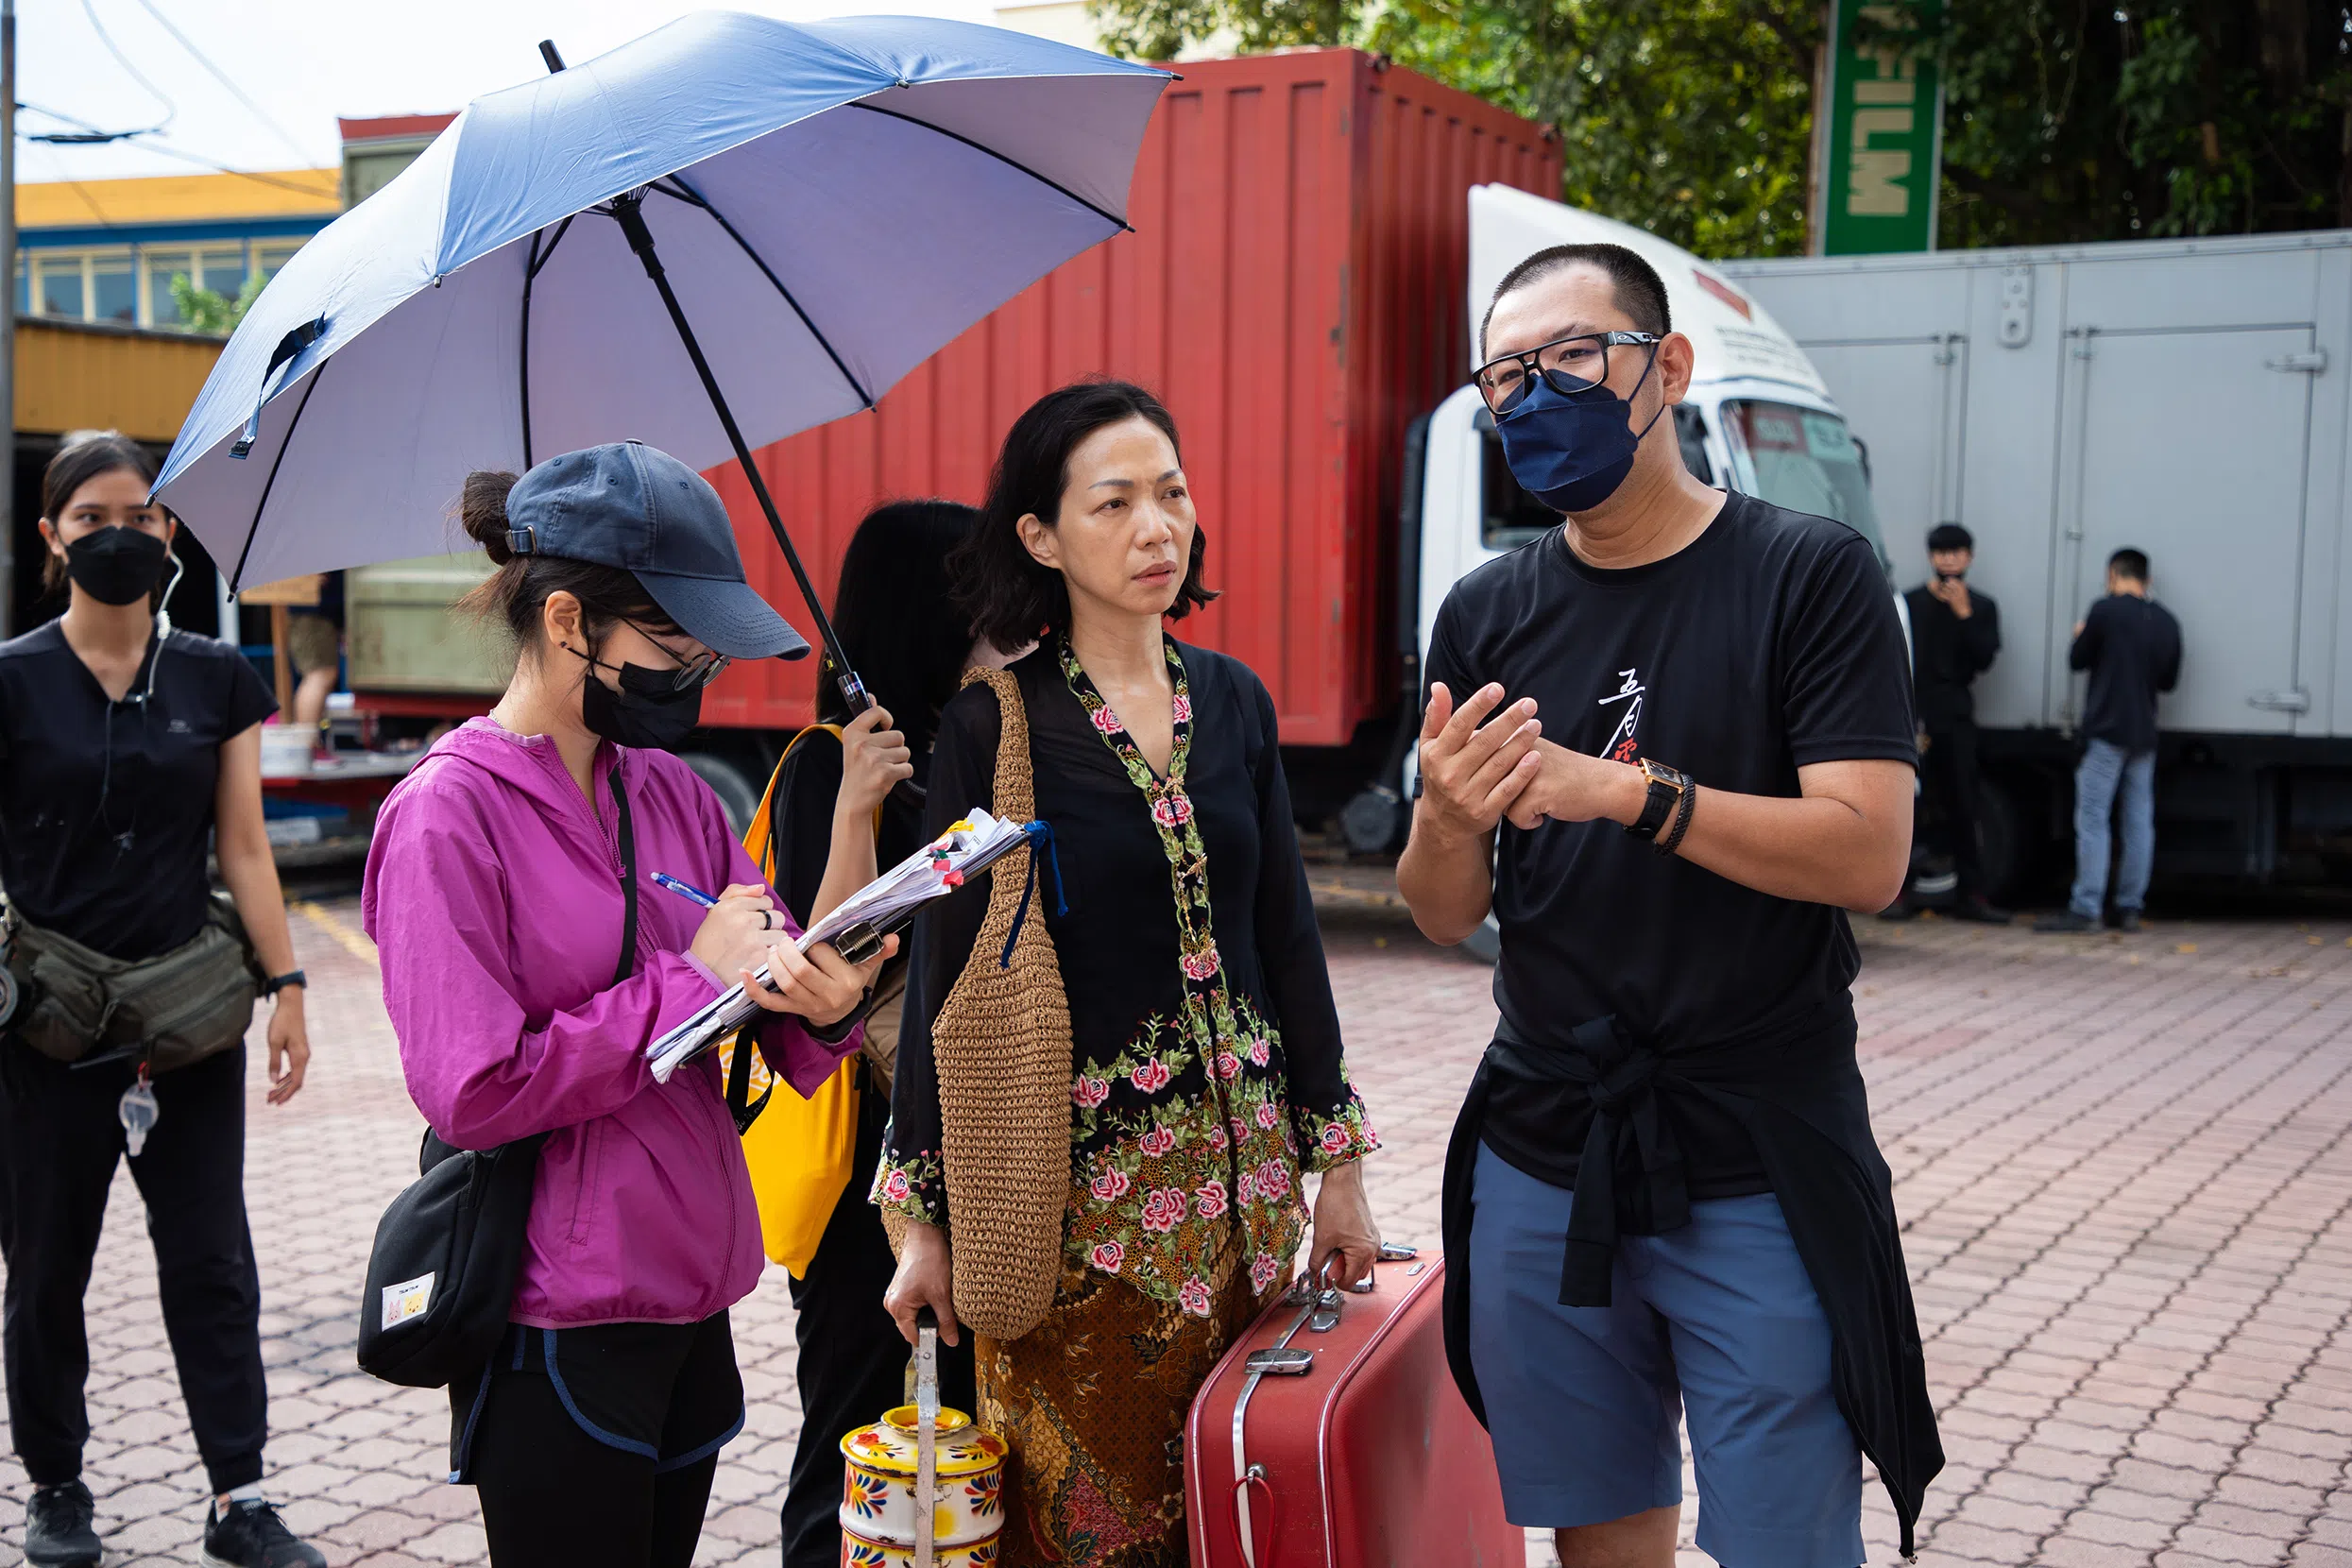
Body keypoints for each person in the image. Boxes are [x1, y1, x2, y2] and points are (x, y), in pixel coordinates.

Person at [1396, 244, 1940, 1568]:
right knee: (1594, 1529)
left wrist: (1627, 794)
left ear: (1666, 369)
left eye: (1569, 359)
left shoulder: (1807, 576)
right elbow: (1436, 906)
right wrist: (1446, 817)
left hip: (1751, 1142)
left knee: (1782, 1536)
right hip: (1545, 1142)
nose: (1534, 397)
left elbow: (1867, 854)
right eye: (1505, 375)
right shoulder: (1485, 609)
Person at [877, 381, 1382, 1568]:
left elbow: (1287, 946)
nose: (1158, 527)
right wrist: (918, 1218)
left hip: (1252, 1221)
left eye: (1172, 493)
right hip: (1072, 1236)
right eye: (1114, 503)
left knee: (1252, 1525)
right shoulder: (989, 731)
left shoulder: (1240, 703)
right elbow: (948, 991)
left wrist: (1340, 1164)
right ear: (1040, 538)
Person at [362, 443, 888, 1568]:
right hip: (557, 1311)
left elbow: (752, 997)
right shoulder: (446, 816)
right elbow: (473, 1085)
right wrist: (690, 976)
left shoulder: (676, 793)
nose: (698, 669)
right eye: (673, 643)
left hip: (693, 1287)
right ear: (566, 622)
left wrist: (825, 999)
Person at [0, 432, 323, 1568]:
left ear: (168, 531)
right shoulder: (11, 677)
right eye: (91, 517)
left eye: (140, 514)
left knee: (211, 1260)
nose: (119, 534)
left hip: (185, 1026)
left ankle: (240, 1496)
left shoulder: (215, 678)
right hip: (45, 1029)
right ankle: (56, 1484)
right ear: (52, 537)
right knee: (45, 1268)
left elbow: (243, 844)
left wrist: (286, 985)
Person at [768, 501, 986, 1568]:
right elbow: (825, 973)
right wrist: (859, 804)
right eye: (973, 592)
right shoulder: (828, 761)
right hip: (865, 1159)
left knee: (957, 1422)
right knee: (852, 1427)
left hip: (952, 1137)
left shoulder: (959, 741)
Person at [2036, 548, 2182, 934]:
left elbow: (2077, 660)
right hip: (2145, 733)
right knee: (2138, 822)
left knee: (2094, 819)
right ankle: (2130, 908)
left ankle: (2086, 908)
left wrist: (2082, 635)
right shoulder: (2167, 621)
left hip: (2107, 731)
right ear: (2147, 579)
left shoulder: (2105, 610)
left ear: (2113, 575)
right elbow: (2169, 682)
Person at [1896, 522, 2008, 922]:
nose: (1948, 559)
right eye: (1941, 552)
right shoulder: (1908, 603)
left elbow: (1985, 659)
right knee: (1909, 804)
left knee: (1964, 801)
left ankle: (1972, 894)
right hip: (1915, 715)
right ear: (1931, 556)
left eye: (1956, 552)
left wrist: (1964, 615)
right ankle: (1900, 892)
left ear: (1969, 557)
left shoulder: (1982, 605)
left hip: (1957, 714)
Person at [286, 571, 344, 759]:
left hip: (320, 609)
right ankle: (307, 745)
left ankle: (310, 744)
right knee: (319, 675)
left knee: (321, 675)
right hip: (312, 610)